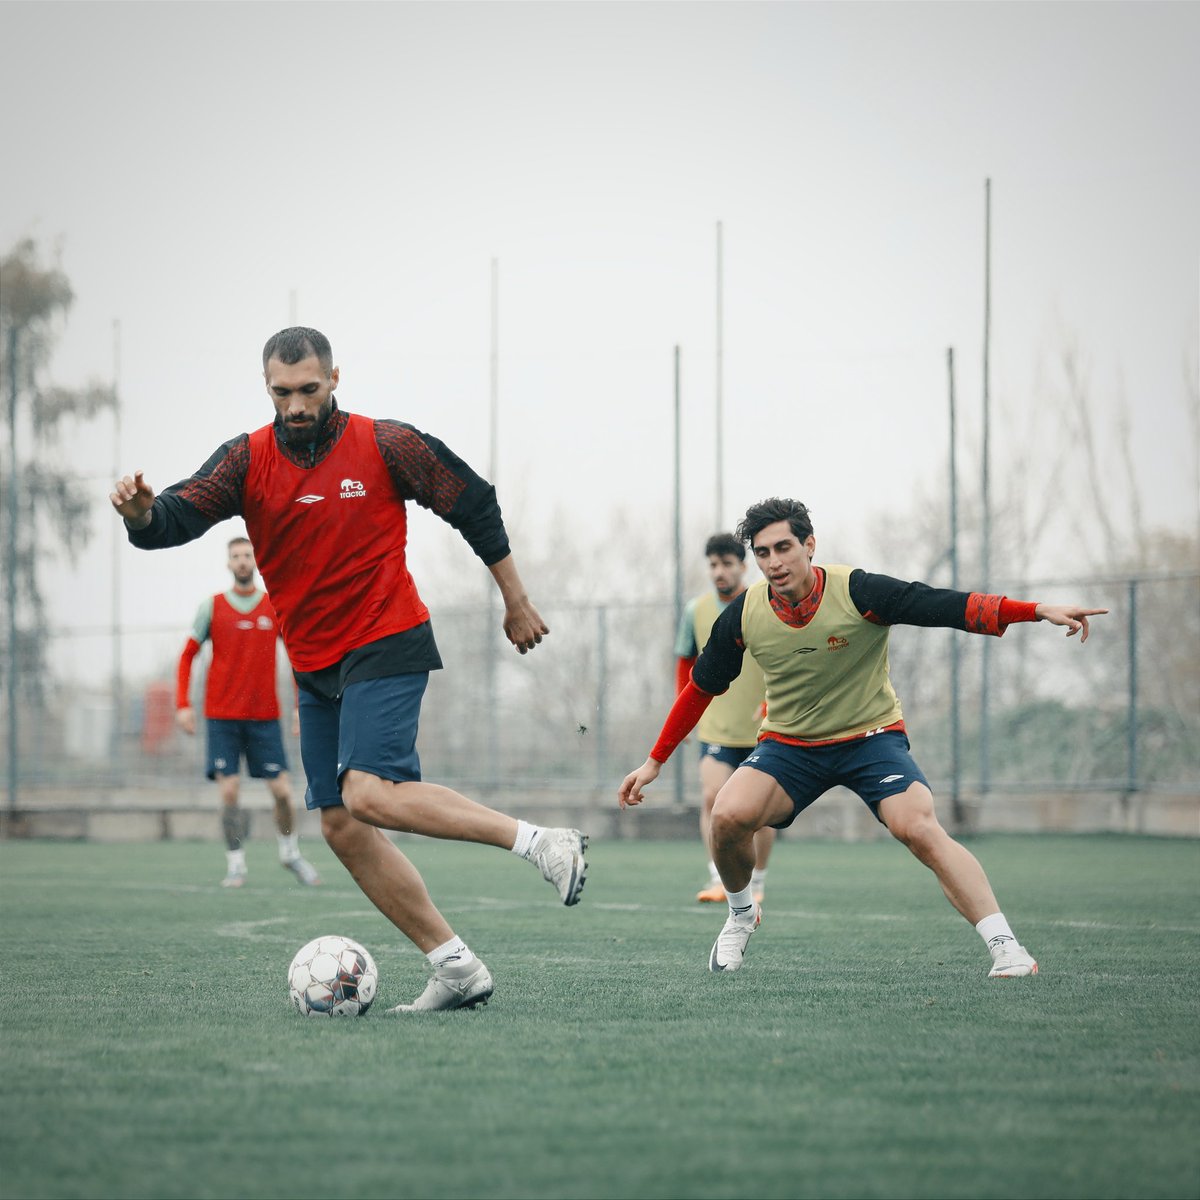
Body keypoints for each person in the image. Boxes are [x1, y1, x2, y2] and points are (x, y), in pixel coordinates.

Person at [111, 326, 588, 1012]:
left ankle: (543, 843)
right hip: (314, 663)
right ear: (268, 388)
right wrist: (141, 514)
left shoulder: (387, 444)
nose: (297, 404)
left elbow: (473, 502)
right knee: (340, 824)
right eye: (283, 392)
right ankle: (455, 966)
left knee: (369, 794)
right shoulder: (247, 460)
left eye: (310, 389)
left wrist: (516, 599)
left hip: (387, 637)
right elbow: (178, 514)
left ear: (335, 378)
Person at [620, 497, 1107, 978]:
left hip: (870, 739)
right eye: (763, 553)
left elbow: (946, 606)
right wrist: (655, 761)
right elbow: (700, 687)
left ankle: (1007, 947)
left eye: (784, 547)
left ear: (810, 545)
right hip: (791, 746)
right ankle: (742, 915)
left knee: (917, 827)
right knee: (726, 817)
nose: (774, 562)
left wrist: (1036, 609)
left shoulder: (858, 591)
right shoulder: (745, 613)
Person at [176, 536, 320, 889]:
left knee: (283, 792)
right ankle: (236, 864)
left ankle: (289, 852)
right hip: (222, 717)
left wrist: (302, 708)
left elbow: (299, 661)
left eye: (247, 555)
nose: (242, 561)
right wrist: (183, 705)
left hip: (265, 718)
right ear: (229, 563)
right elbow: (187, 656)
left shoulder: (274, 606)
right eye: (236, 556)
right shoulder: (212, 607)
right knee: (229, 792)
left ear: (255, 561)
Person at [676, 534, 774, 904]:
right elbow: (685, 662)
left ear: (742, 567)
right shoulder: (695, 610)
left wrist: (769, 704)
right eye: (714, 565)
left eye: (727, 564)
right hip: (716, 726)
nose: (720, 572)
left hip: (763, 729)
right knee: (712, 799)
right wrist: (682, 713)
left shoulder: (763, 603)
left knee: (760, 812)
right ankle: (719, 877)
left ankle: (759, 883)